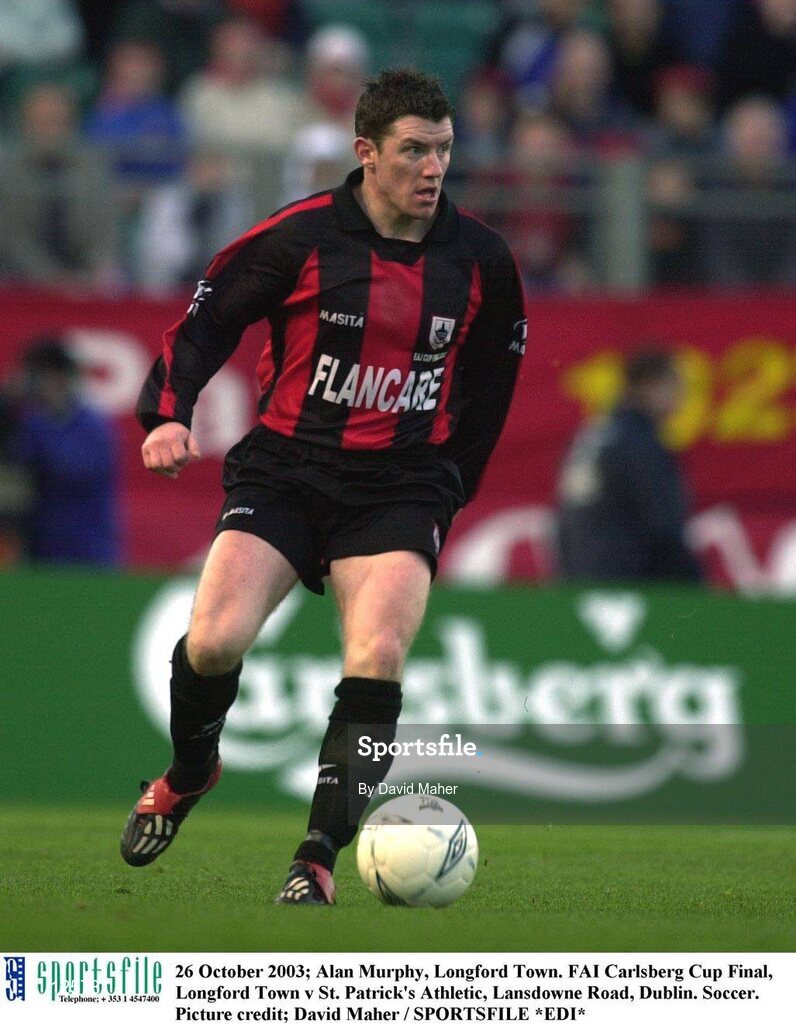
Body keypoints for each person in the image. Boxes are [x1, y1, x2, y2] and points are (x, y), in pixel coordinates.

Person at [120, 67, 527, 905]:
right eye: (414, 150)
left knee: (377, 654)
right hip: (287, 469)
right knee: (214, 642)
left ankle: (317, 856)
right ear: (365, 154)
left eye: (444, 150)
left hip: (402, 486)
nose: (433, 168)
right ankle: (192, 770)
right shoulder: (300, 237)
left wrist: (452, 490)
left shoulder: (482, 260)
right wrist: (167, 413)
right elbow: (205, 324)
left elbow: (492, 387)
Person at [556, 348, 703, 582]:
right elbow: (663, 525)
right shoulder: (638, 443)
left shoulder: (594, 435)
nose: (681, 394)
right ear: (650, 385)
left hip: (581, 576)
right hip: (630, 581)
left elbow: (564, 519)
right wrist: (694, 584)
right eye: (675, 384)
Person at [9, 337, 121, 566]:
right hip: (41, 547)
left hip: (87, 547)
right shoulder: (31, 422)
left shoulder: (92, 424)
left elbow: (77, 471)